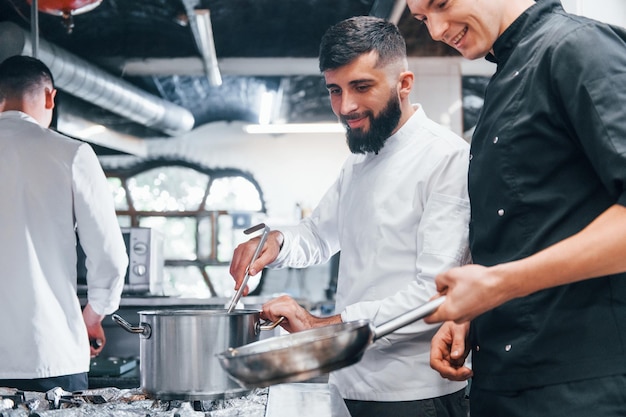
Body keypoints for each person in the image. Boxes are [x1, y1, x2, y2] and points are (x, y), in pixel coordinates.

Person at [230, 16, 471, 416]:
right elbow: (320, 234)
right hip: (348, 383)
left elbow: (433, 294)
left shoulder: (445, 158)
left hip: (412, 393)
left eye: (361, 87)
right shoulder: (361, 158)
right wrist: (276, 241)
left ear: (404, 84)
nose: (346, 107)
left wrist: (321, 327)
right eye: (335, 90)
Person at [405, 0, 626, 415]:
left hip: (581, 389)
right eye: (421, 19)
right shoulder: (506, 76)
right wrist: (479, 311)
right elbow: (534, 230)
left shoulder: (576, 48)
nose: (435, 30)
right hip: (506, 381)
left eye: (441, 3)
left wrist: (501, 285)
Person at [0, 55, 128, 392]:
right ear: (49, 97)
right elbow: (111, 257)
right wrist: (94, 315)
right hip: (48, 354)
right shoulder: (71, 154)